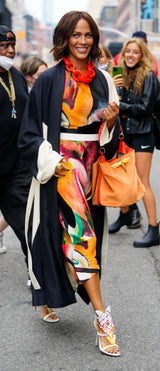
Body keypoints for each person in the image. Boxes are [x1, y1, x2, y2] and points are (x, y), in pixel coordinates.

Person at [19, 11, 121, 356]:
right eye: (76, 35)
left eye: (88, 35)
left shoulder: (103, 80)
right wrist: (53, 161)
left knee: (67, 236)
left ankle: (48, 291)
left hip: (92, 164)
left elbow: (110, 135)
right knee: (82, 235)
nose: (82, 41)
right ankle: (102, 318)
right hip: (62, 165)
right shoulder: (49, 79)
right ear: (65, 37)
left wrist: (110, 120)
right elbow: (30, 132)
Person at [109, 37, 160, 247]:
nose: (130, 55)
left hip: (143, 133)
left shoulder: (148, 76)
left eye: (135, 52)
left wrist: (122, 106)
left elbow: (145, 108)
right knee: (122, 177)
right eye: (127, 51)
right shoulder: (120, 74)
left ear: (142, 55)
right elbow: (114, 101)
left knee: (142, 180)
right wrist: (114, 90)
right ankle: (125, 214)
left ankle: (154, 229)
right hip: (126, 133)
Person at [0, 25, 31, 277]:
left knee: (26, 225)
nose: (10, 50)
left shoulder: (17, 76)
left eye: (12, 46)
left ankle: (39, 276)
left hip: (17, 169)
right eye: (3, 46)